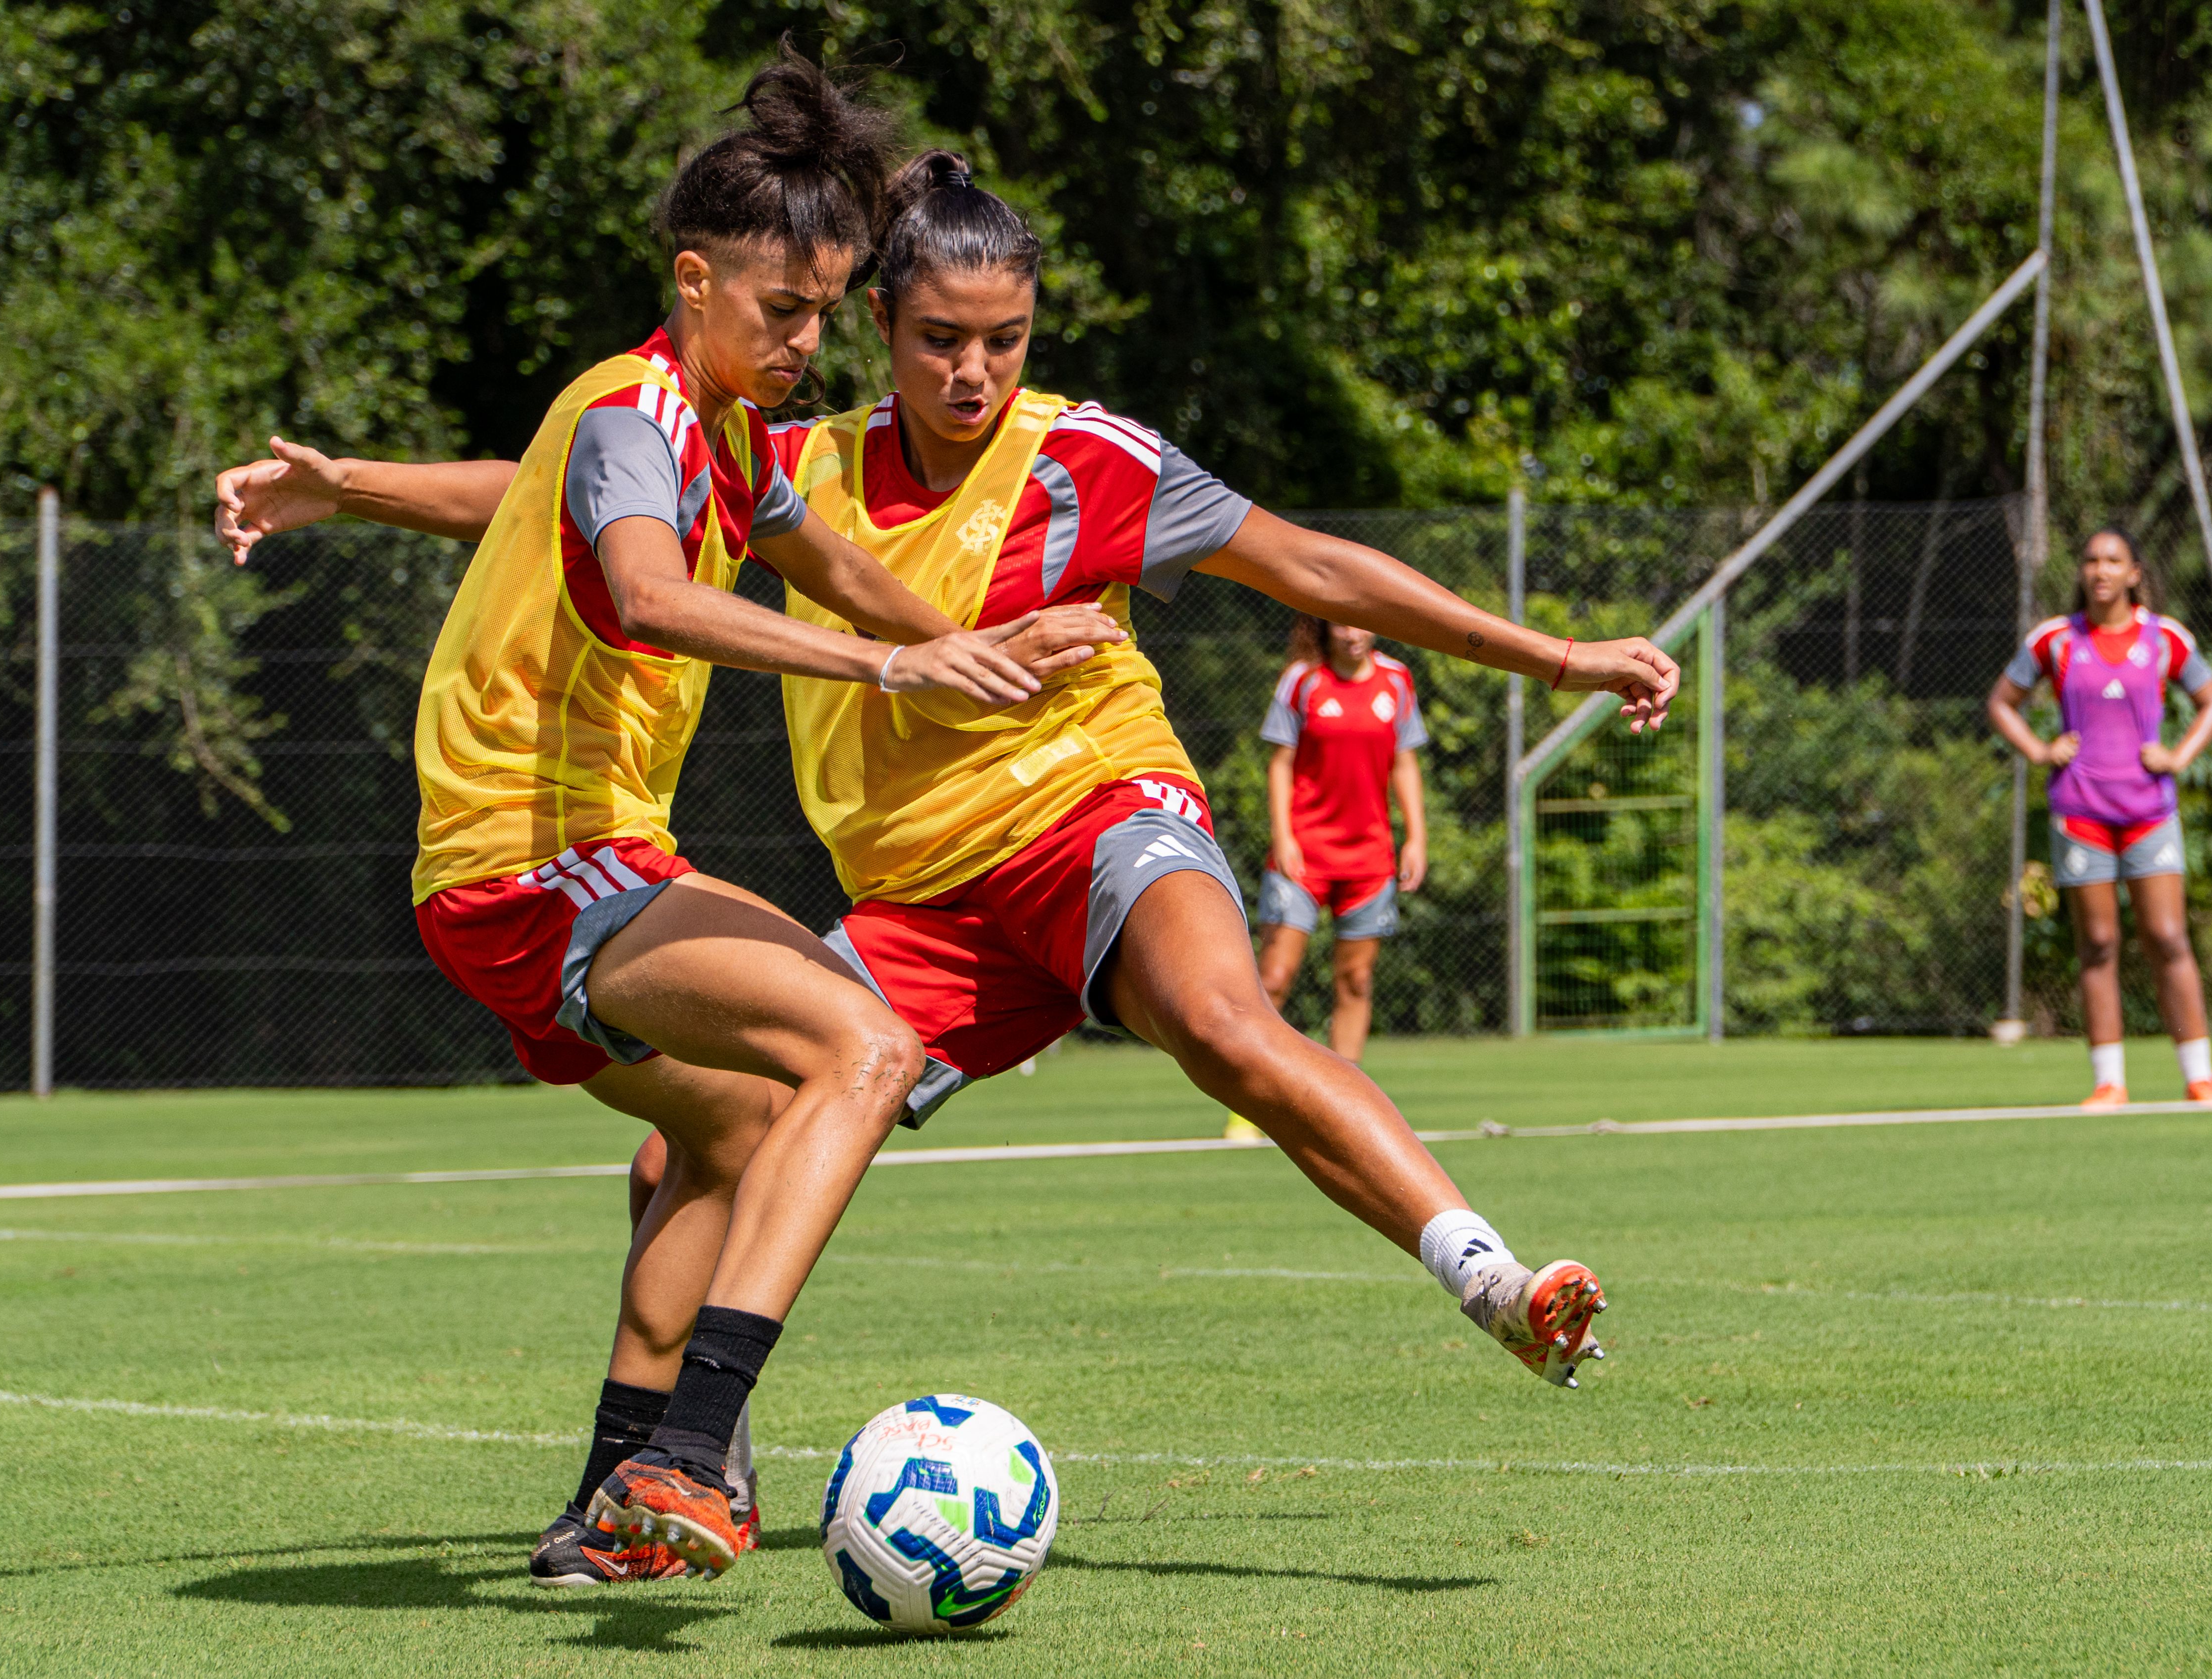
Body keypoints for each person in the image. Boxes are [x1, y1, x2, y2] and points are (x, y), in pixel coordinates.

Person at [269, 149, 1680, 1586]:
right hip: (915, 897)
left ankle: (1488, 1276)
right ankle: (656, 1481)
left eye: (1002, 340)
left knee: (1217, 1020)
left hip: (1088, 815)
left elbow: (1315, 568)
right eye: (938, 338)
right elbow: (563, 497)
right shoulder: (778, 448)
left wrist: (1555, 657)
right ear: (880, 323)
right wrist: (355, 488)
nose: (971, 370)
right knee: (696, 1148)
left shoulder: (1093, 457)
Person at [214, 60, 1115, 1587]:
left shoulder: (722, 433)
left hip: (572, 864)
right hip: (535, 858)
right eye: (782, 308)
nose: (808, 340)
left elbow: (808, 562)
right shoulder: (634, 410)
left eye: (827, 310)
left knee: (740, 1121)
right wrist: (900, 664)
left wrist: (980, 648)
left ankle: (611, 1502)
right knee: (868, 1044)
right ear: (692, 282)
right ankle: (696, 1454)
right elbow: (645, 587)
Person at [1987, 526, 2212, 1107]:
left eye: (2113, 560)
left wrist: (2177, 756)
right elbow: (2002, 702)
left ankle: (2200, 1076)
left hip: (2150, 810)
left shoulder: (2164, 638)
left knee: (2168, 936)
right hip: (2082, 812)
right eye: (2091, 560)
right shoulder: (2056, 640)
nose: (2100, 570)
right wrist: (2041, 750)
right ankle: (2108, 1081)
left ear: (2134, 573)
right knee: (2098, 942)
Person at [1254, 617, 1431, 1059]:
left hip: (1369, 860)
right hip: (1303, 855)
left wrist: (1416, 838)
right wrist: (1284, 837)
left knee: (1355, 981)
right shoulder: (1303, 680)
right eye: (1341, 625)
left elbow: (1404, 763)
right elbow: (1280, 764)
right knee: (1274, 977)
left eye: (1362, 624)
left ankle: (1342, 1108)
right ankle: (1250, 1107)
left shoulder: (1397, 679)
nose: (1353, 634)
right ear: (1324, 628)